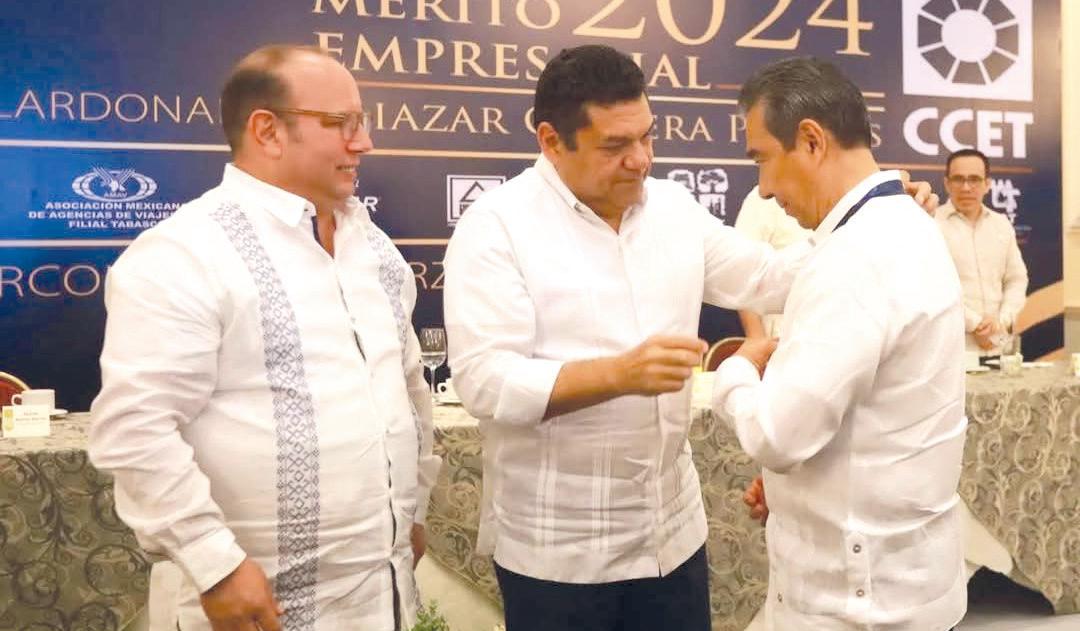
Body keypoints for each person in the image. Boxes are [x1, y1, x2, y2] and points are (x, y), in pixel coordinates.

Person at [442, 44, 938, 631]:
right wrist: (618, 374)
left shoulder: (673, 208)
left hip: (671, 535)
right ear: (552, 141)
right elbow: (485, 381)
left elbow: (770, 276)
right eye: (615, 146)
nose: (640, 160)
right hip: (559, 551)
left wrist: (868, 222)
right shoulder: (496, 227)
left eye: (647, 136)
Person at [89, 45, 440, 631]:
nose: (364, 142)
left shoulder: (375, 250)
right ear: (267, 131)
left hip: (385, 594)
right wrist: (215, 565)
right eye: (341, 123)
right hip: (256, 608)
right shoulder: (185, 252)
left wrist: (413, 512)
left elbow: (409, 392)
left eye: (362, 121)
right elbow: (135, 428)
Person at [713, 57, 967, 630]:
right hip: (903, 579)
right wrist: (797, 491)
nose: (765, 188)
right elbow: (877, 417)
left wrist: (736, 372)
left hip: (858, 605)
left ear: (811, 140)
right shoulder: (904, 225)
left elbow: (777, 435)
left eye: (761, 159)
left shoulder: (853, 258)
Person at [936, 148, 1028, 358]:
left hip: (1000, 347)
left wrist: (1002, 321)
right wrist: (975, 324)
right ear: (947, 183)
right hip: (953, 353)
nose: (966, 187)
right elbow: (931, 287)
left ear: (987, 184)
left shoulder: (1001, 224)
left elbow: (1016, 279)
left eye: (974, 179)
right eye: (958, 179)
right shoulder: (931, 225)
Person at [733, 186, 812, 338]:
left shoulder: (854, 199)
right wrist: (756, 338)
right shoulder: (766, 197)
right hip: (783, 337)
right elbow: (743, 271)